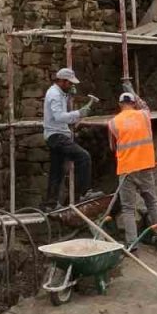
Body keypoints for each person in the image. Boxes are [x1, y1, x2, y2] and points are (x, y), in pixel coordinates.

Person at [107, 87, 157, 252]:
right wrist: (132, 89)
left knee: (128, 208)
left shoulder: (113, 122)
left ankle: (132, 244)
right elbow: (145, 106)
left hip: (127, 169)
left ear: (120, 104)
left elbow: (112, 147)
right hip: (145, 166)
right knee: (152, 202)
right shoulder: (143, 115)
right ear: (133, 103)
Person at [42, 67, 99, 210]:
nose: (72, 86)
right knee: (83, 156)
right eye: (69, 83)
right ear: (62, 81)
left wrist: (67, 97)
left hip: (53, 135)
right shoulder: (55, 94)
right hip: (57, 135)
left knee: (57, 171)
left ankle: (50, 203)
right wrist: (79, 113)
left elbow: (58, 110)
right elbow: (59, 116)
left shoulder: (58, 93)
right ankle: (85, 192)